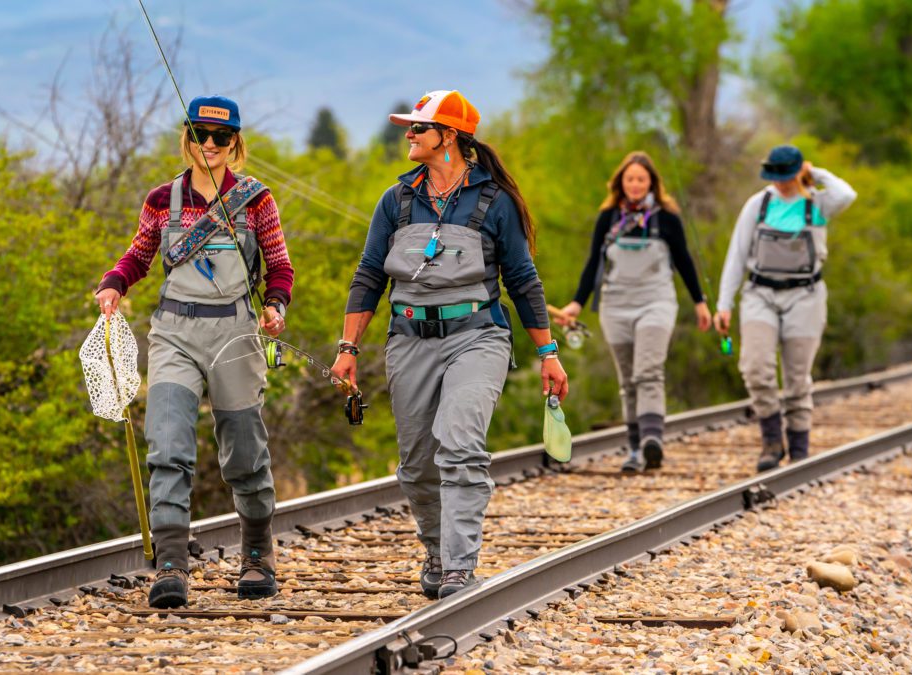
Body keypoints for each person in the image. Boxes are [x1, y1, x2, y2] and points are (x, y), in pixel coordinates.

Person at [331, 90, 568, 599]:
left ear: (450, 138)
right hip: (408, 340)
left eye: (419, 128)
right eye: (409, 128)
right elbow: (369, 276)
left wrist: (548, 354)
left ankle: (460, 566)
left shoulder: (494, 202)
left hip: (478, 337)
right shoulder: (395, 201)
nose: (409, 135)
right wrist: (348, 348)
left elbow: (523, 281)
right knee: (417, 464)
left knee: (459, 445)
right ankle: (437, 552)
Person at [94, 95, 295, 608]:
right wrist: (114, 283)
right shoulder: (162, 199)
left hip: (235, 331)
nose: (209, 144)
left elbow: (279, 266)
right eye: (200, 134)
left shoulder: (256, 201)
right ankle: (171, 564)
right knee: (166, 443)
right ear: (187, 137)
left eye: (220, 137)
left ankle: (256, 551)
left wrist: (275, 304)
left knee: (244, 447)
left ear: (235, 144)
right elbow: (139, 254)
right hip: (173, 332)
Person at [554, 152, 710, 473]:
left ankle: (653, 439)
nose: (636, 185)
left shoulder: (667, 218)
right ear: (621, 184)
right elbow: (593, 265)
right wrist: (576, 304)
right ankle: (636, 449)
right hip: (616, 305)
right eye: (630, 179)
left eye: (642, 179)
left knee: (648, 371)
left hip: (657, 302)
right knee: (627, 379)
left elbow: (684, 262)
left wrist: (700, 301)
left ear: (651, 182)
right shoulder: (608, 217)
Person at [714, 145, 856, 472]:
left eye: (786, 176)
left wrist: (815, 173)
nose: (780, 183)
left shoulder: (817, 202)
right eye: (774, 177)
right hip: (760, 294)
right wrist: (725, 304)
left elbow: (847, 194)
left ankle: (800, 448)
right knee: (755, 368)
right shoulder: (759, 204)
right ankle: (772, 441)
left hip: (805, 295)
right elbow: (736, 256)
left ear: (797, 173)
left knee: (796, 376)